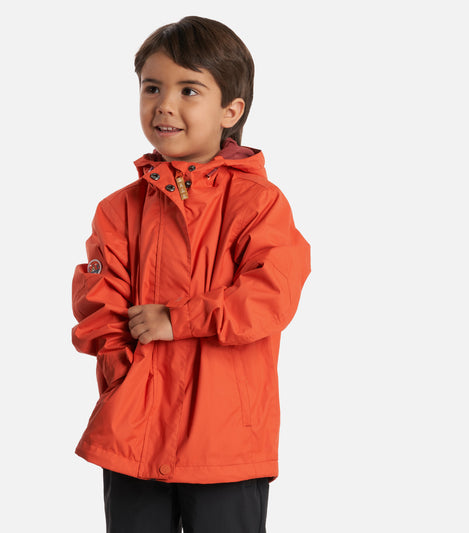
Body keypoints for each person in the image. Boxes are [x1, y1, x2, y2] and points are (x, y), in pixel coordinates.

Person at [71, 15, 311, 533]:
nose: (165, 104)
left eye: (189, 90)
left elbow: (271, 294)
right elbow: (98, 306)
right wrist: (125, 379)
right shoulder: (118, 210)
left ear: (231, 110)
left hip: (224, 440)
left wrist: (177, 320)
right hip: (134, 436)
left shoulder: (259, 204)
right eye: (152, 88)